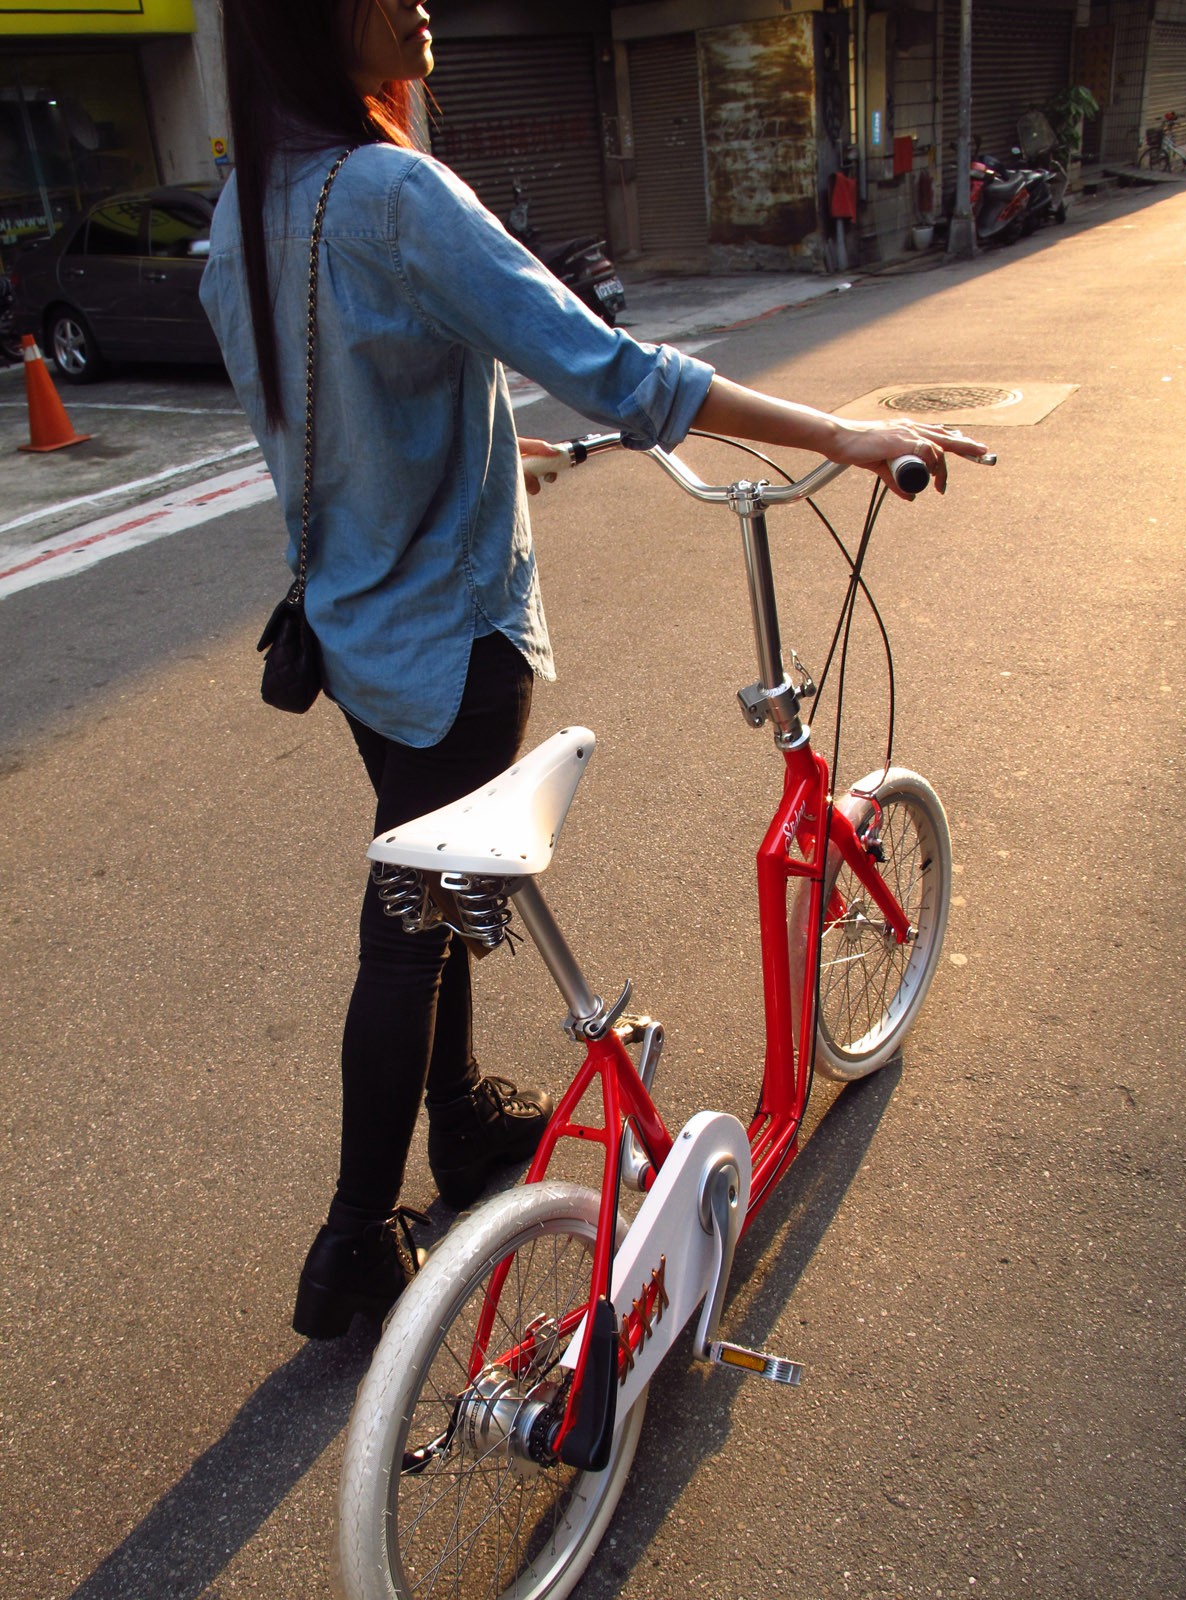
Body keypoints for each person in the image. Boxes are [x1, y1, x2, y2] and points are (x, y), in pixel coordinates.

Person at [201, 0, 987, 1342]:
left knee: (434, 884)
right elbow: (618, 370)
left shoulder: (247, 205)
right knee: (408, 924)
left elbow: (339, 412)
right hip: (452, 642)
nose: (423, 3)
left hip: (350, 632)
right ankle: (351, 1244)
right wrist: (844, 433)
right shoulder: (391, 190)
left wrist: (493, 451)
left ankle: (461, 1122)